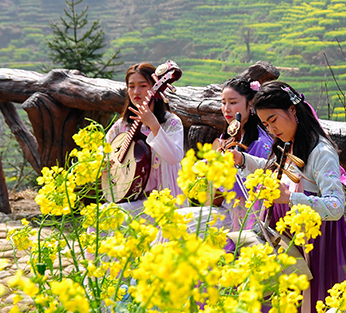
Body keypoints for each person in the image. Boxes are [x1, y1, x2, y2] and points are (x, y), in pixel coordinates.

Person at [232, 81, 346, 313]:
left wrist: (291, 199)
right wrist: (243, 159)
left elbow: (335, 206)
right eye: (265, 124)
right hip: (291, 243)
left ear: (293, 110)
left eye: (274, 119)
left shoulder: (321, 152)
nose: (271, 128)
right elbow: (278, 172)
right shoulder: (290, 144)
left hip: (317, 248)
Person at [178, 76, 272, 246]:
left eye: (233, 102)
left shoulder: (261, 144)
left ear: (250, 104)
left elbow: (254, 191)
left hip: (247, 219)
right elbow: (216, 196)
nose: (226, 109)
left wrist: (218, 171)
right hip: (227, 211)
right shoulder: (227, 138)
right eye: (223, 103)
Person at [104, 62, 185, 215]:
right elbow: (104, 154)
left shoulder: (171, 122)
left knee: (113, 214)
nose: (136, 92)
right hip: (129, 197)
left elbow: (174, 157)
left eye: (143, 86)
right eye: (131, 86)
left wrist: (155, 127)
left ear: (154, 89)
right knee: (104, 213)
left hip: (162, 200)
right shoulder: (121, 126)